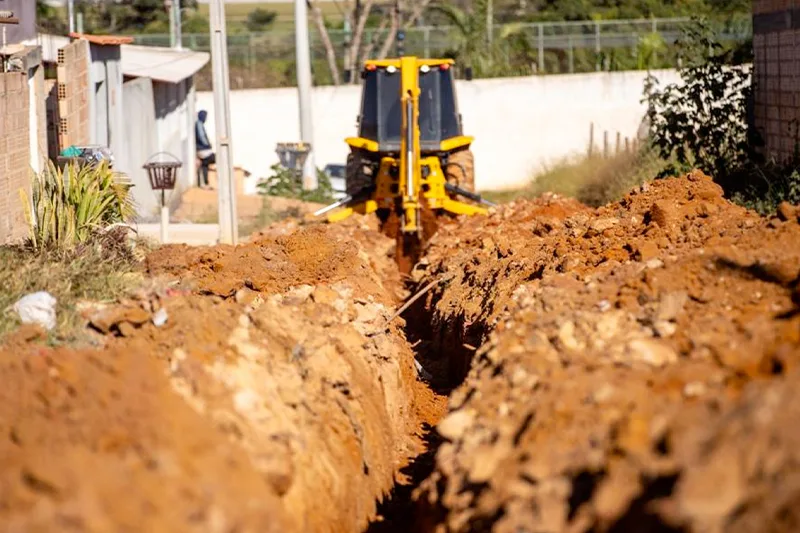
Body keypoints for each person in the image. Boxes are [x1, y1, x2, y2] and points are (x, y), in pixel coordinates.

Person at [195, 110, 215, 189]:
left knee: (204, 165)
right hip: (203, 149)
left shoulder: (199, 124)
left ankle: (205, 183)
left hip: (201, 150)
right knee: (215, 159)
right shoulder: (199, 124)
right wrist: (208, 144)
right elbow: (202, 136)